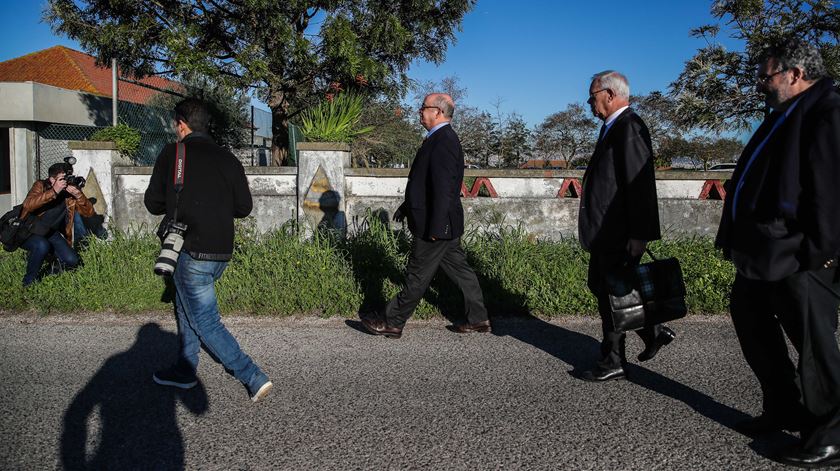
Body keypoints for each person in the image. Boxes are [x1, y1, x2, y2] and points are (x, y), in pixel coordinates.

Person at [715, 39, 840, 467]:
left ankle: (831, 433)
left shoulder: (828, 111)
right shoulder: (783, 114)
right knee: (749, 320)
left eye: (765, 76)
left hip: (799, 255)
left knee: (813, 345)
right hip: (762, 252)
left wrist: (818, 253)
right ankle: (784, 405)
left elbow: (831, 192)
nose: (759, 84)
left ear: (795, 74)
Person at [144, 98, 272, 403]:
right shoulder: (228, 158)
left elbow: (152, 203)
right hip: (222, 252)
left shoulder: (173, 154)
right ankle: (185, 371)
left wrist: (180, 200)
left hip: (190, 251)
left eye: (175, 124)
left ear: (181, 123)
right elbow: (244, 207)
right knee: (186, 308)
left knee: (205, 321)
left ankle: (253, 376)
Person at [361, 93, 490, 338]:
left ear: (438, 112)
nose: (420, 111)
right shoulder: (438, 139)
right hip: (440, 222)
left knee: (417, 273)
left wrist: (436, 227)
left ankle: (392, 321)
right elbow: (426, 184)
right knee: (461, 271)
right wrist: (408, 206)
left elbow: (444, 190)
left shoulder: (443, 141)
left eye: (424, 108)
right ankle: (478, 318)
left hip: (436, 224)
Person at [577, 71, 676, 382]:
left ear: (609, 94)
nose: (589, 103)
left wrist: (639, 234)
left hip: (618, 230)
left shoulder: (629, 127)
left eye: (592, 96)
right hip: (608, 230)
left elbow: (639, 184)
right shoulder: (614, 127)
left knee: (610, 292)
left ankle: (614, 359)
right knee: (606, 287)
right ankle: (652, 331)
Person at [19, 162, 94, 286]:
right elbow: (28, 205)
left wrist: (78, 194)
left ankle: (47, 274)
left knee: (72, 261)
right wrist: (54, 191)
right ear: (52, 179)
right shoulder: (41, 185)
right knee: (42, 245)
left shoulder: (69, 194)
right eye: (61, 179)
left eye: (66, 178)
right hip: (30, 229)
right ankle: (28, 282)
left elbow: (89, 213)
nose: (65, 182)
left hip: (50, 233)